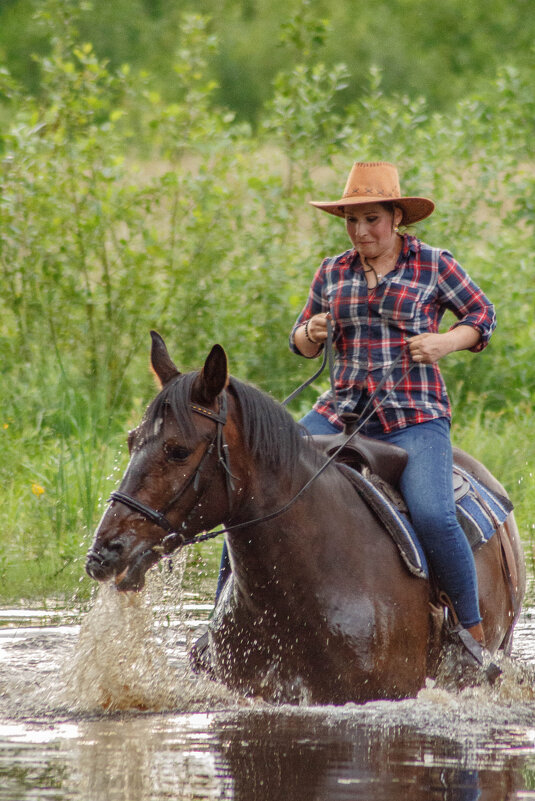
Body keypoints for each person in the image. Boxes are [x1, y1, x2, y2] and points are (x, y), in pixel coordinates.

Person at [290, 160, 496, 655]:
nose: (361, 232)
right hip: (340, 411)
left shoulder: (434, 263)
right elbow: (300, 342)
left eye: (372, 219)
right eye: (352, 221)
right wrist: (311, 334)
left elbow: (482, 316)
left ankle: (471, 633)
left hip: (413, 416)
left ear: (397, 217)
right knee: (259, 482)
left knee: (432, 513)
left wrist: (447, 342)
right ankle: (222, 626)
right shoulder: (332, 271)